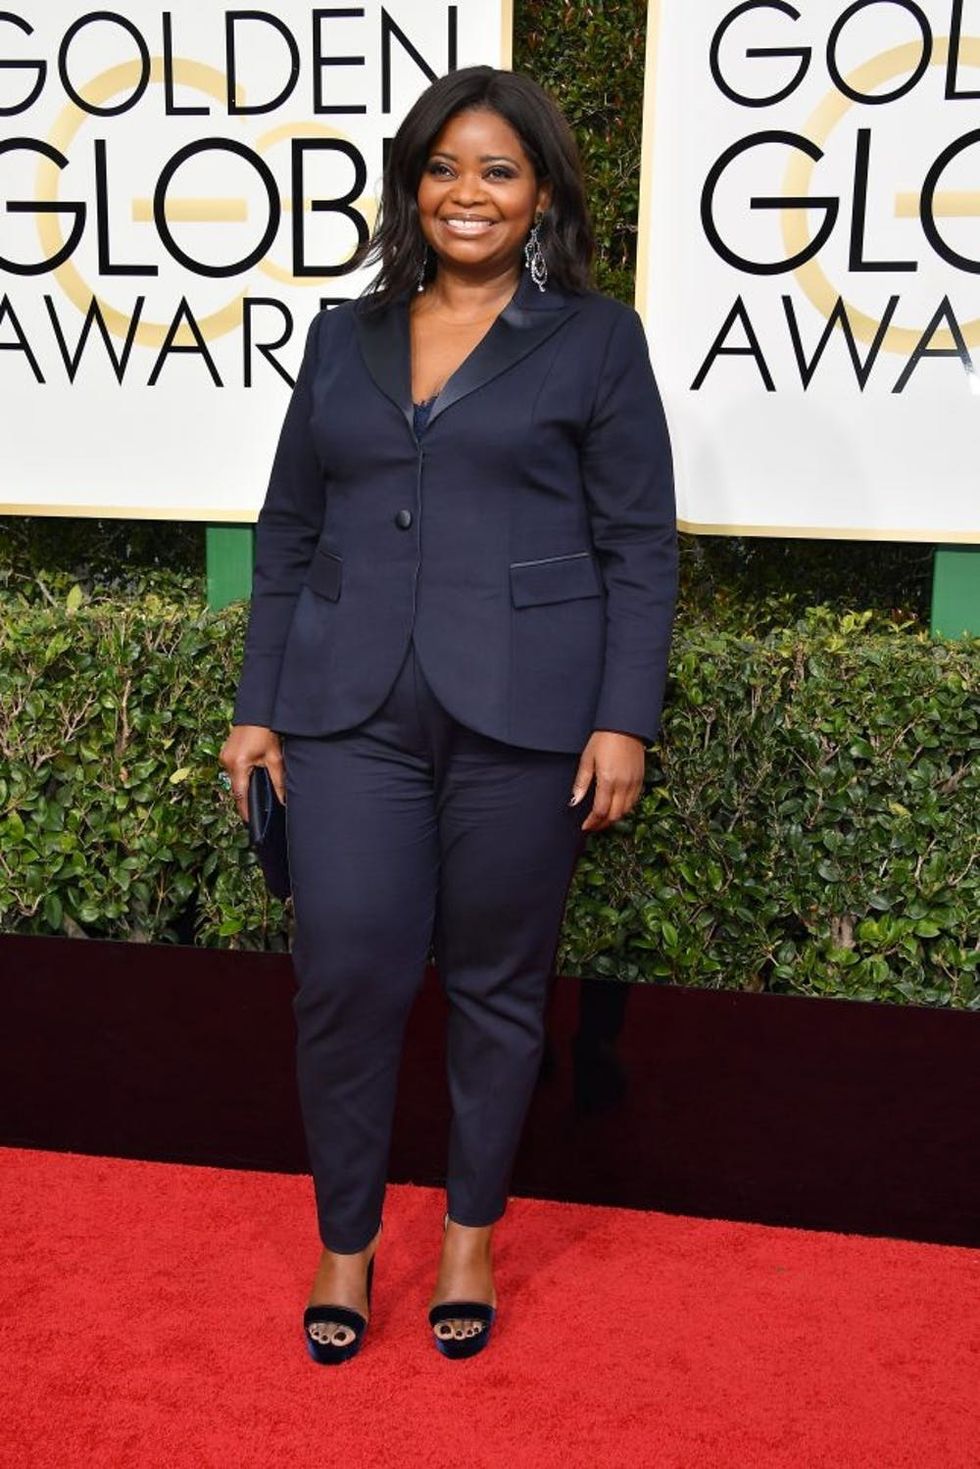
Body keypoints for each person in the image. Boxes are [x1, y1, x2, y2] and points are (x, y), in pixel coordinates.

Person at [219, 64, 677, 1365]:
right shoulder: (340, 336)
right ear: (412, 186)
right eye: (444, 167)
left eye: (498, 170)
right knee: (348, 973)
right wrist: (260, 706)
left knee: (494, 984)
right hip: (347, 708)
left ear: (541, 195)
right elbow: (289, 525)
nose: (466, 193)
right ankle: (346, 1241)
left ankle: (471, 1231)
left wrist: (623, 717)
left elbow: (639, 540)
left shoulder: (595, 339)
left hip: (528, 713)